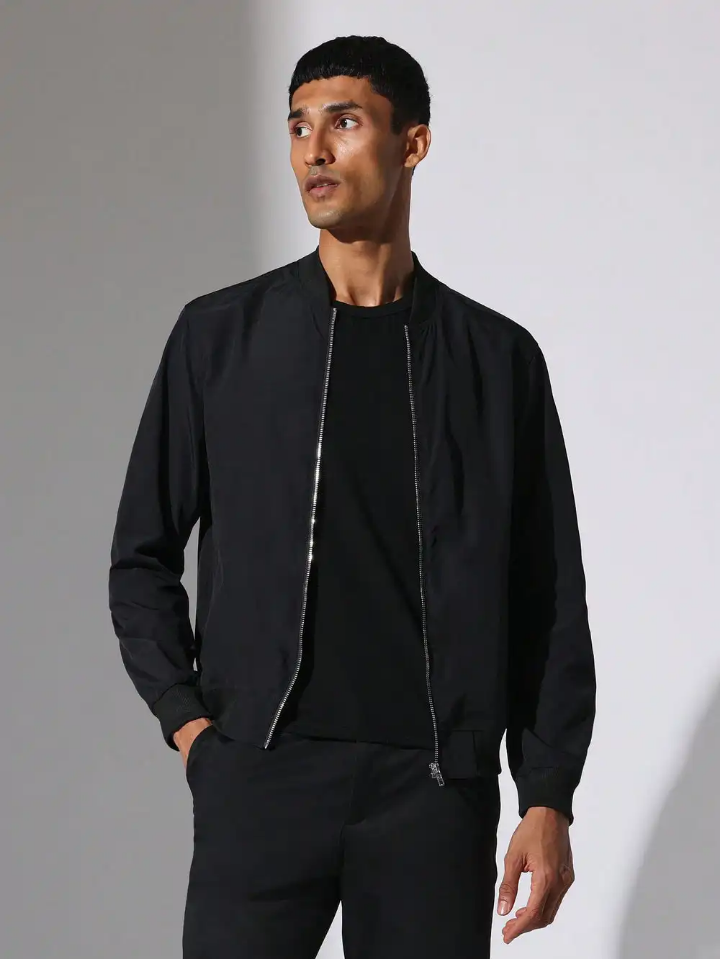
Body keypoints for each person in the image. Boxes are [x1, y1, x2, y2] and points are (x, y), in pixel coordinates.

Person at [108, 34, 596, 958]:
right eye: (298, 127)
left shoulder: (496, 361)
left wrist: (547, 793)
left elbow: (548, 597)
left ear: (413, 143)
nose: (314, 150)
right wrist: (193, 727)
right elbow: (140, 556)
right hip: (261, 774)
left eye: (343, 122)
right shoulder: (220, 338)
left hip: (433, 793)